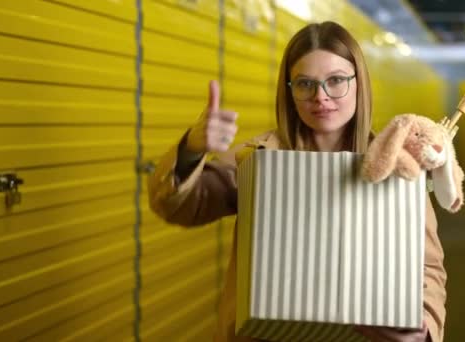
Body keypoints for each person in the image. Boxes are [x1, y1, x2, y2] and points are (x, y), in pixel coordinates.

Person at [148, 21, 446, 342]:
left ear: (359, 84)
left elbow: (428, 268)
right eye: (305, 84)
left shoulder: (397, 168)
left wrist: (422, 328)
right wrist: (193, 147)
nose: (321, 97)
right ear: (289, 91)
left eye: (336, 81)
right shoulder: (256, 160)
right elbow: (176, 205)